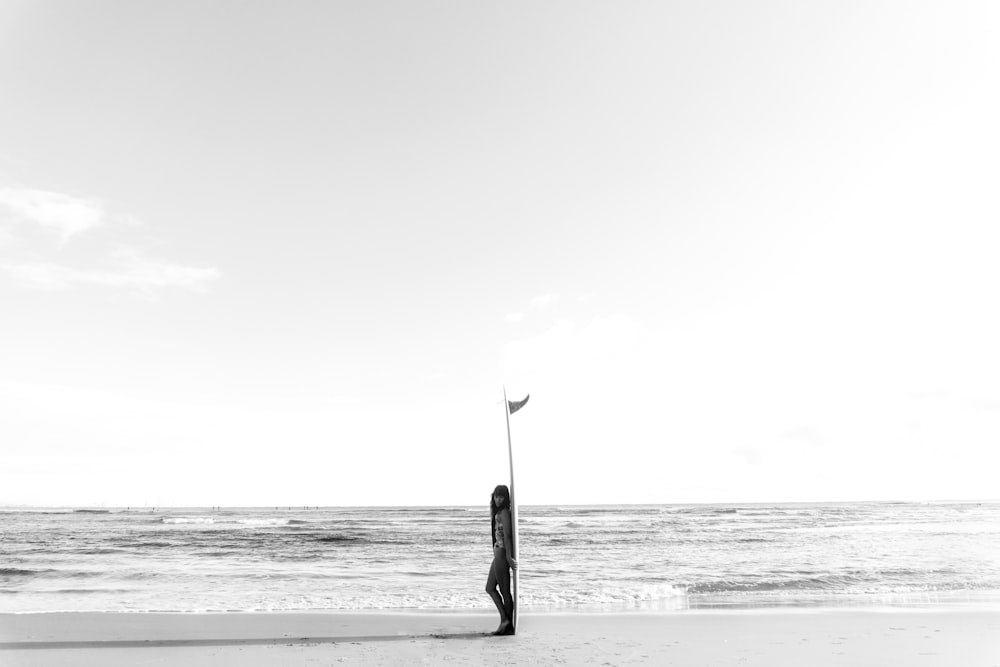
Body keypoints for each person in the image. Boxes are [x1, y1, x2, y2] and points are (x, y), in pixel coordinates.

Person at [486, 484, 518, 635]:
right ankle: (505, 621)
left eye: (501, 496)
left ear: (506, 498)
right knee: (490, 588)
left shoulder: (504, 512)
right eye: (496, 496)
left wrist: (508, 557)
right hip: (497, 553)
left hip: (502, 554)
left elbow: (508, 535)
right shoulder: (498, 512)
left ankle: (506, 623)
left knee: (505, 591)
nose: (498, 499)